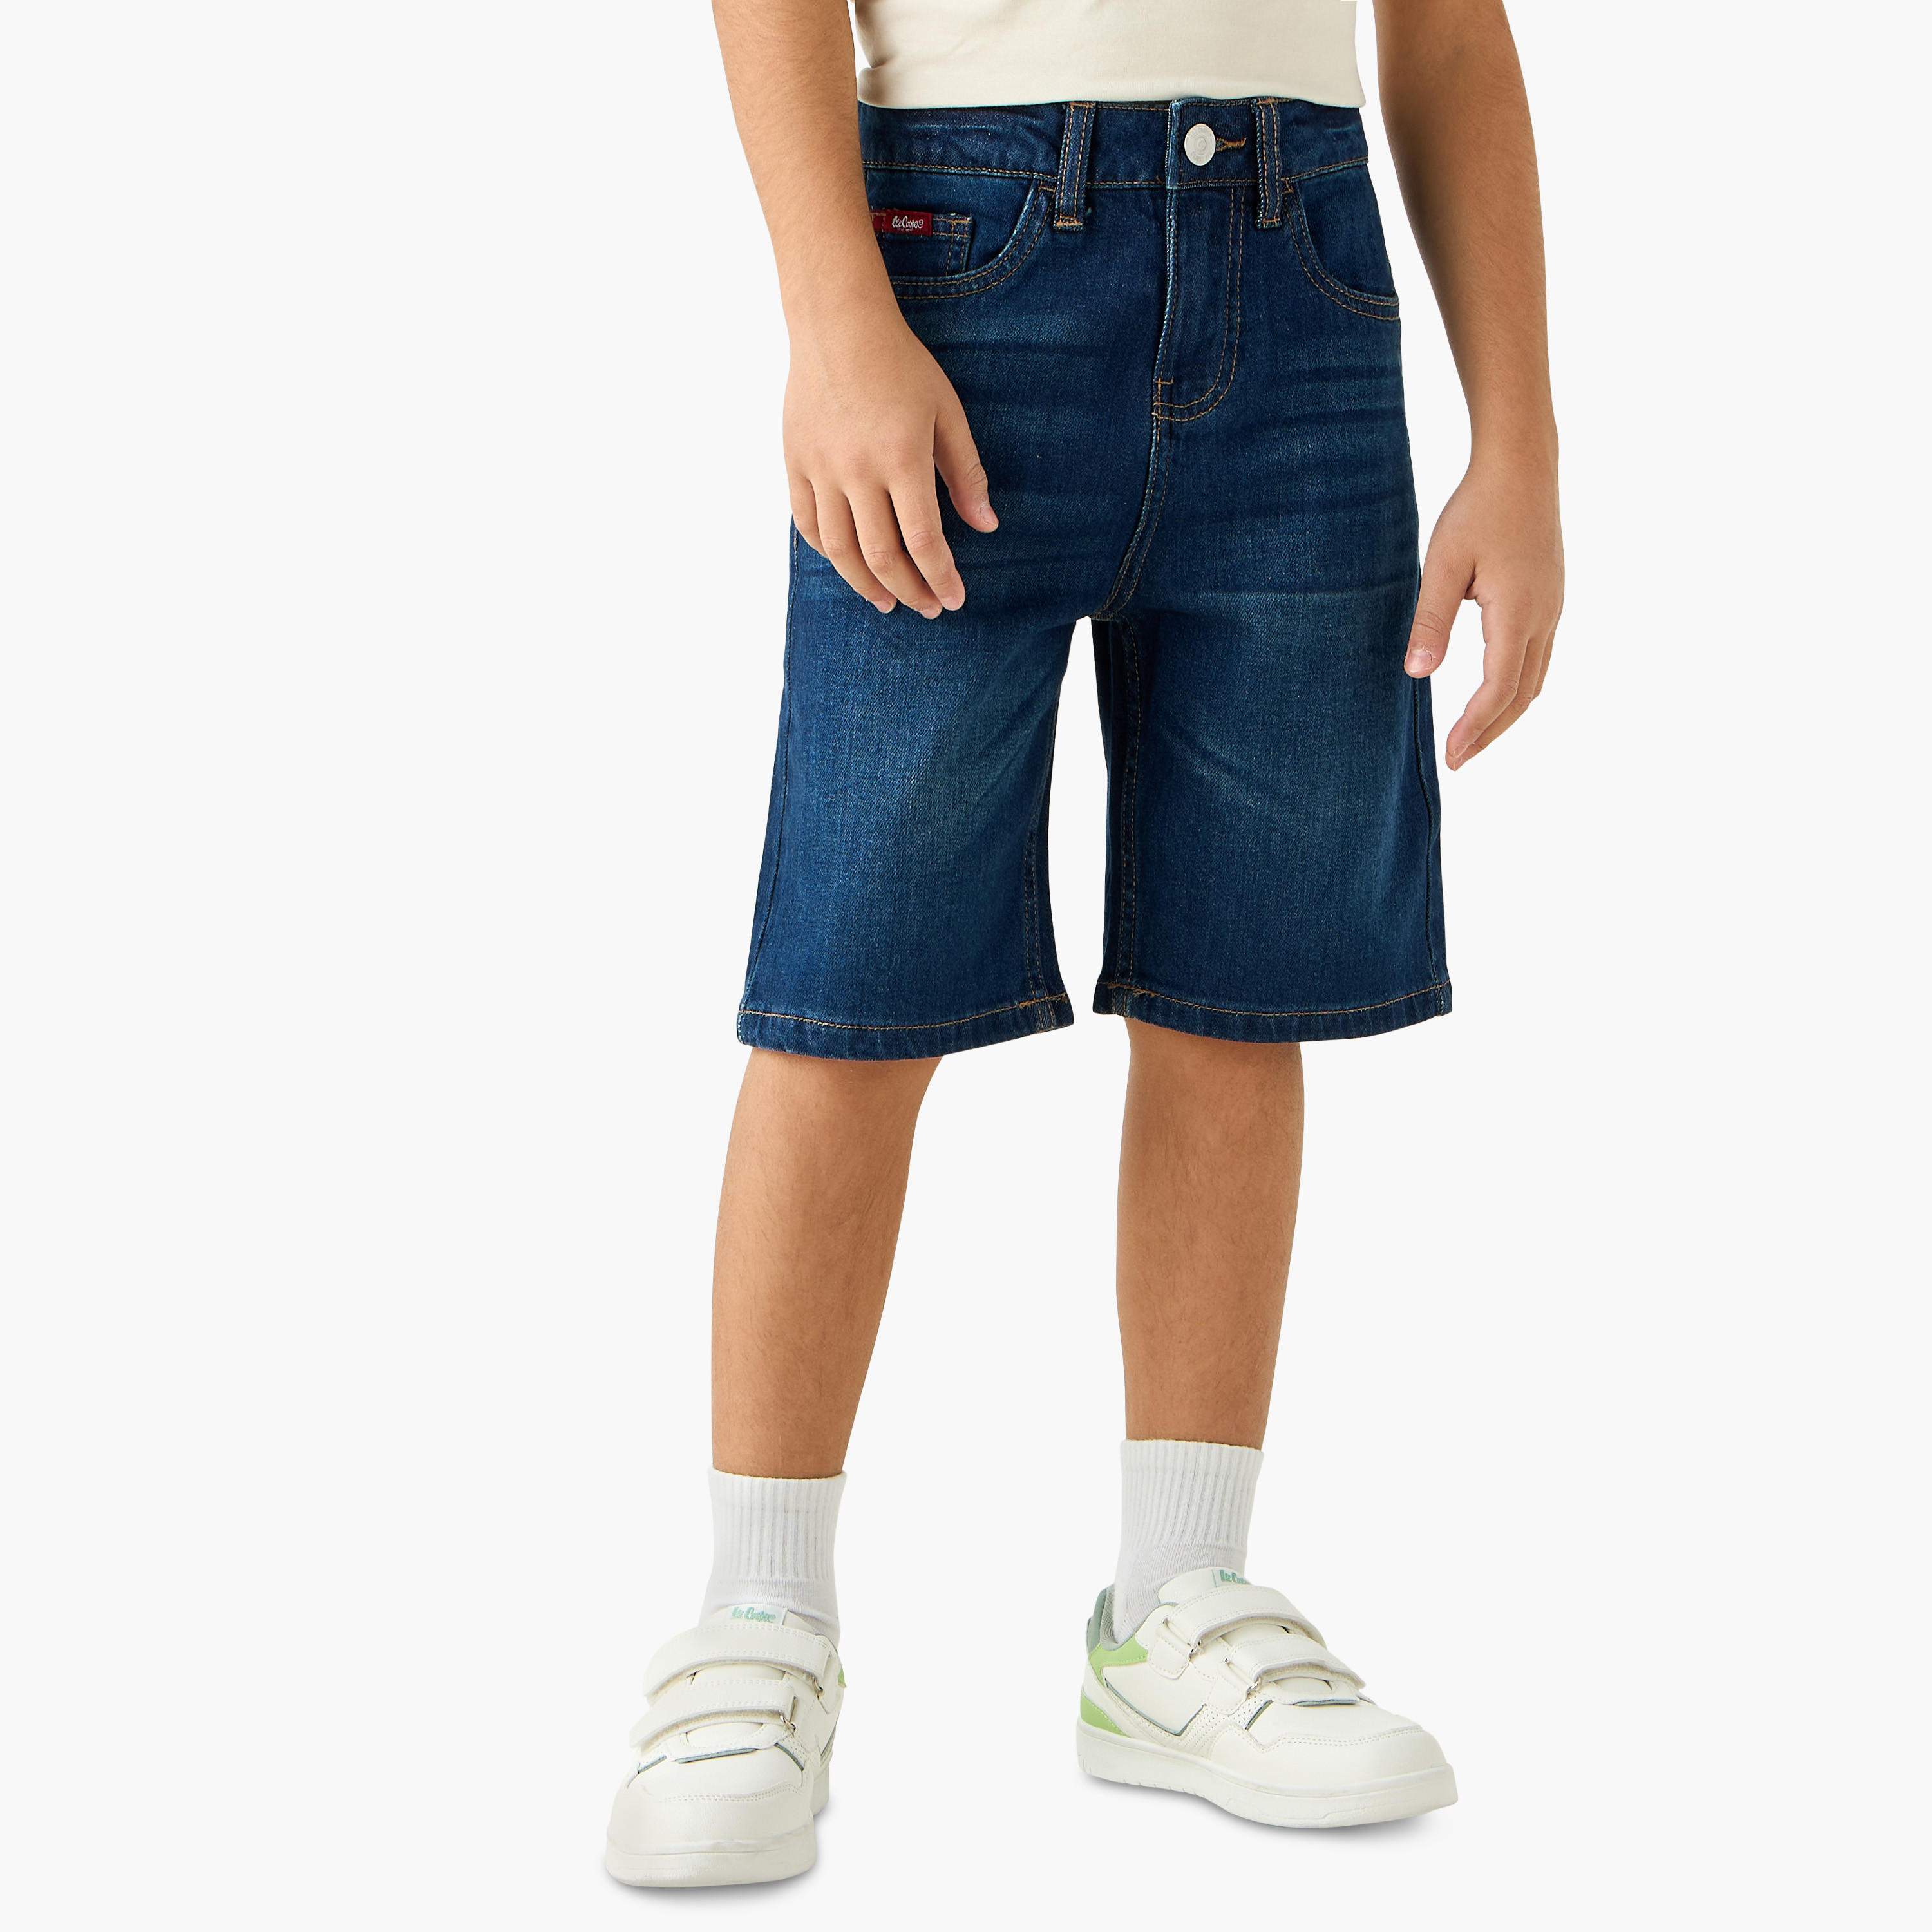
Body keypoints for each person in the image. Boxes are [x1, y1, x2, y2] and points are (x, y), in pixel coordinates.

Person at [605, 0, 1562, 1886]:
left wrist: (1517, 440)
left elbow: (1449, 32)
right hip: (957, 260)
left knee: (1243, 982)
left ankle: (1177, 1607)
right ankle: (758, 1614)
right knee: (853, 977)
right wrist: (834, 316)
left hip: (1306, 275)